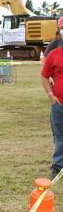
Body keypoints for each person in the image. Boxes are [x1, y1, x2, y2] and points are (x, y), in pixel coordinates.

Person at [41, 46, 63, 180]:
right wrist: (51, 95)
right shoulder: (54, 55)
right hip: (59, 104)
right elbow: (44, 76)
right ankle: (58, 166)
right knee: (60, 136)